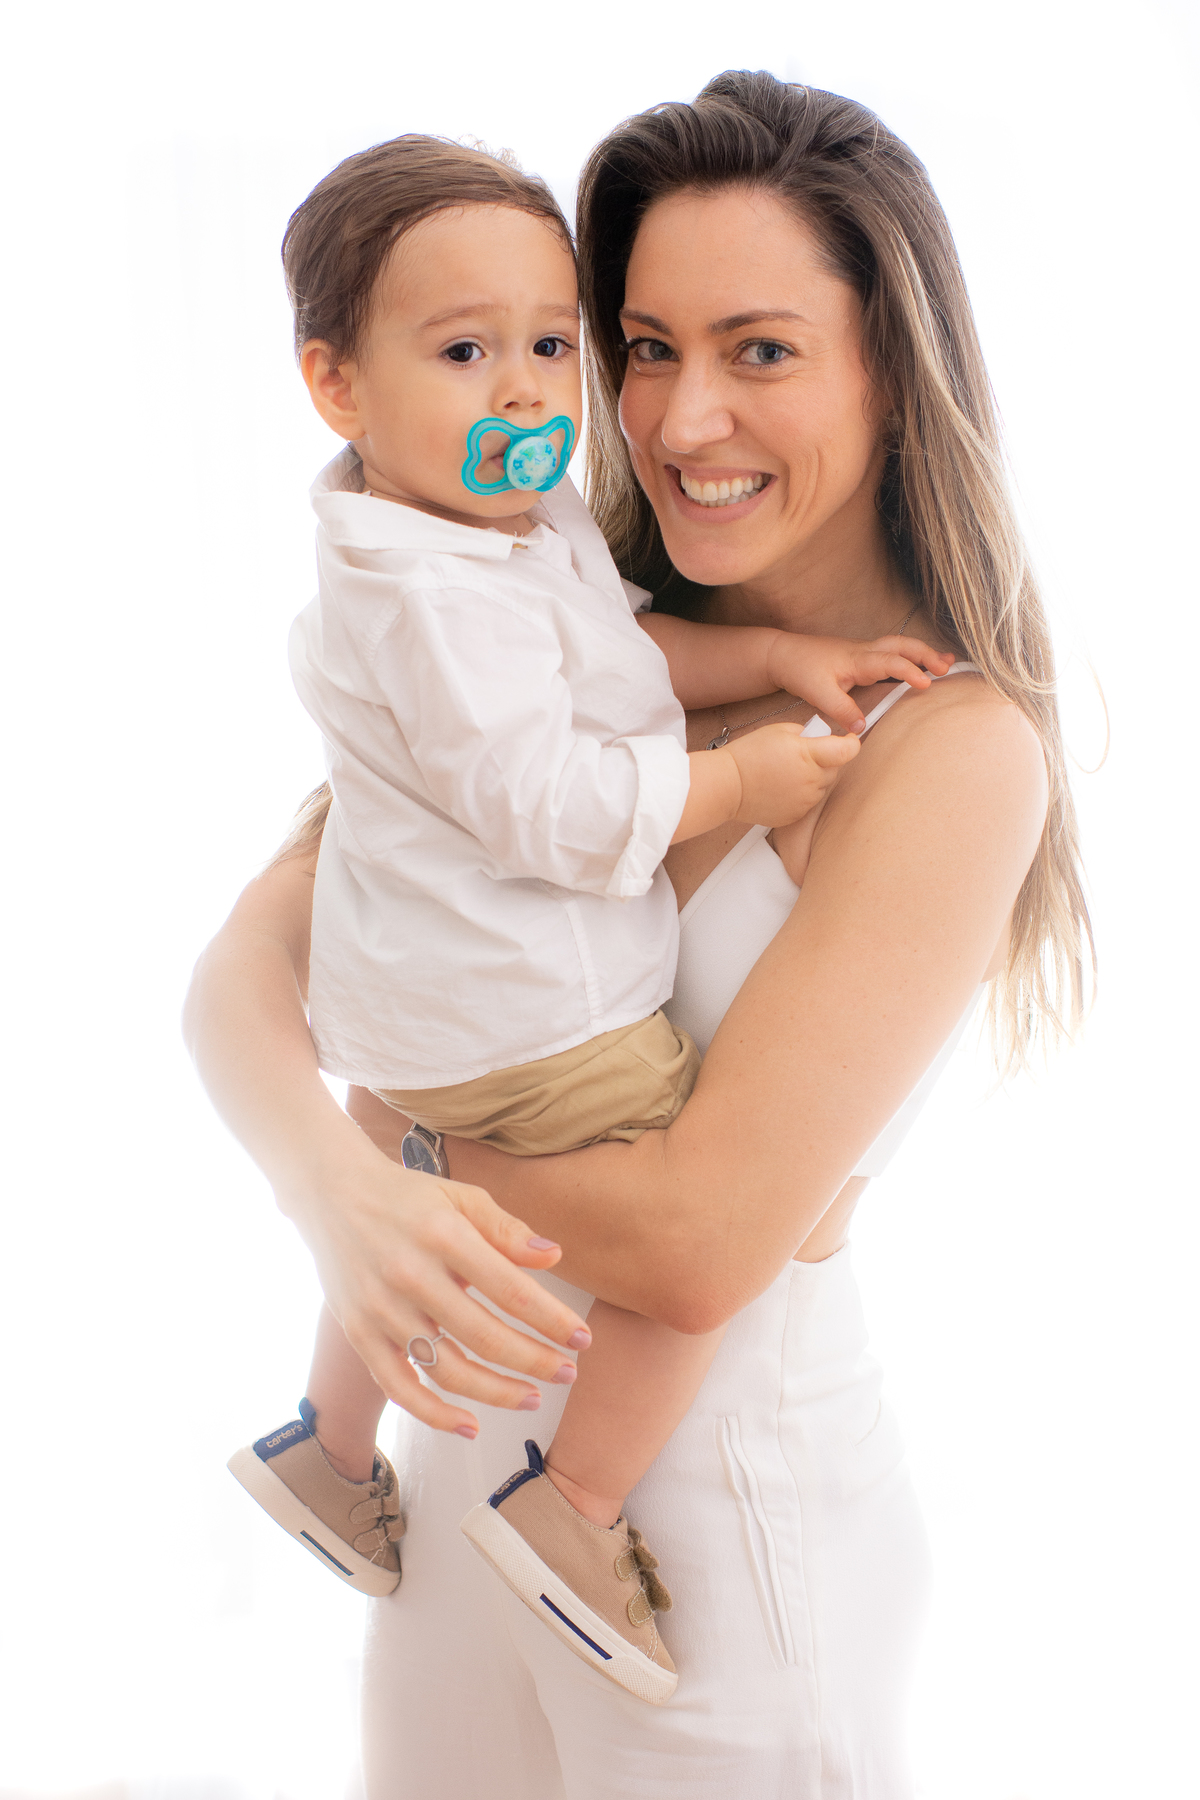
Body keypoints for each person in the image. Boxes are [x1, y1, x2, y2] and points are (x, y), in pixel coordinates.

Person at [184, 72, 1091, 1798]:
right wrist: (335, 1189)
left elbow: (692, 1247)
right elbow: (240, 973)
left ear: (890, 374)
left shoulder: (950, 753)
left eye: (762, 350)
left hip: (713, 1551)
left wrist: (395, 1151)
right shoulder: (529, 634)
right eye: (648, 347)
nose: (680, 418)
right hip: (455, 1491)